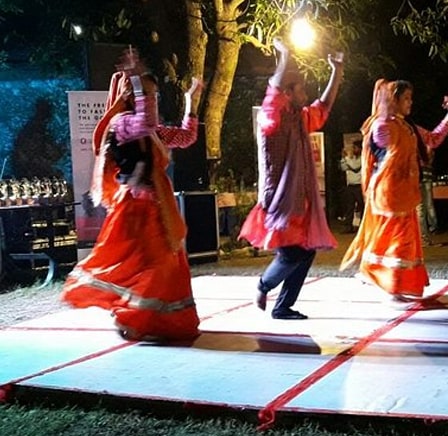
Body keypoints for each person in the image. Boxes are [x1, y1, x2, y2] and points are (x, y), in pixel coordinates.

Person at [61, 49, 204, 341]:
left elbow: (186, 137)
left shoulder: (153, 132)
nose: (152, 100)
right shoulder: (122, 124)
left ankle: (153, 321)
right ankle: (130, 316)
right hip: (135, 210)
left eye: (154, 95)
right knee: (147, 266)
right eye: (147, 94)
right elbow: (144, 123)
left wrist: (191, 100)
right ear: (129, 96)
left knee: (167, 266)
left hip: (159, 207)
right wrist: (137, 81)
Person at [238, 37, 343, 320]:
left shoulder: (300, 117)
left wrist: (338, 70)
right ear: (287, 92)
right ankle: (263, 286)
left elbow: (324, 106)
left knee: (305, 251)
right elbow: (274, 88)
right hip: (279, 202)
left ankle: (283, 306)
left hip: (298, 202)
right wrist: (285, 55)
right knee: (293, 255)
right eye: (300, 89)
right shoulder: (271, 118)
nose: (306, 93)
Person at [340, 79, 448, 300]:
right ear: (393, 100)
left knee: (398, 240)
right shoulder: (381, 125)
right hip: (388, 193)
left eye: (411, 98)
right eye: (406, 98)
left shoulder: (408, 126)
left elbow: (432, 139)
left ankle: (382, 277)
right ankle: (389, 284)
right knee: (397, 240)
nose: (410, 103)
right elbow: (383, 140)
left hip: (406, 193)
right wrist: (384, 113)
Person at [339, 139, 364, 233]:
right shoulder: (350, 158)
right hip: (350, 186)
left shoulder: (362, 158)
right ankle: (348, 227)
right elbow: (343, 168)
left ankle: (362, 226)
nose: (353, 149)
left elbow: (355, 168)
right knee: (349, 207)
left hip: (359, 186)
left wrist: (346, 159)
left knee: (362, 206)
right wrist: (344, 159)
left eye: (355, 148)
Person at [417, 145, 439, 245]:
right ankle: (423, 238)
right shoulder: (416, 151)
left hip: (421, 180)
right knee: (421, 210)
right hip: (420, 181)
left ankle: (424, 237)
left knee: (423, 209)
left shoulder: (423, 149)